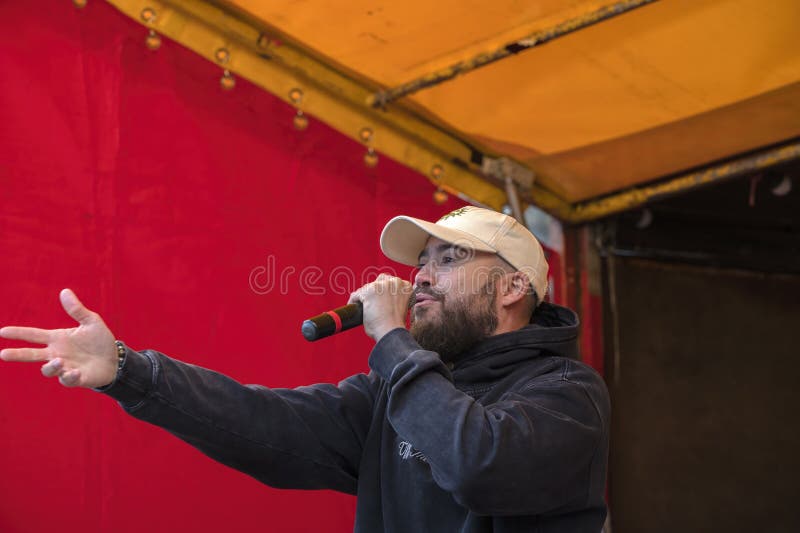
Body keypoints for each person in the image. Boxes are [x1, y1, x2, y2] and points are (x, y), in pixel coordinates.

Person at [0, 206, 610, 532]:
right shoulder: (397, 390)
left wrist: (393, 339)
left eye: (449, 260)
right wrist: (129, 371)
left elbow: (480, 465)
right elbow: (263, 423)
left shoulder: (567, 394)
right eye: (422, 260)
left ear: (510, 289)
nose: (421, 276)